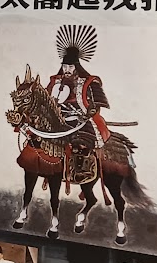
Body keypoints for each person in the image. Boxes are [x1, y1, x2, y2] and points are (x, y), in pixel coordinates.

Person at [46, 25, 110, 185]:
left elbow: (96, 105)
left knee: (80, 143)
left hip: (82, 121)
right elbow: (46, 100)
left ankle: (81, 169)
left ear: (76, 66)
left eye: (70, 67)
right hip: (59, 119)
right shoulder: (55, 82)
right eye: (64, 66)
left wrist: (88, 113)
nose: (67, 70)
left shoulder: (89, 82)